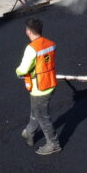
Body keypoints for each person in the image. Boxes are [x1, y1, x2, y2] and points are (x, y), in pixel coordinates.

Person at [17, 17, 61, 155]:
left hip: (39, 88)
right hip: (50, 83)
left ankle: (53, 144)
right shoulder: (50, 44)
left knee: (43, 117)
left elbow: (23, 70)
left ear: (28, 31)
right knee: (36, 111)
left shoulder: (31, 49)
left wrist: (18, 72)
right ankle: (29, 132)